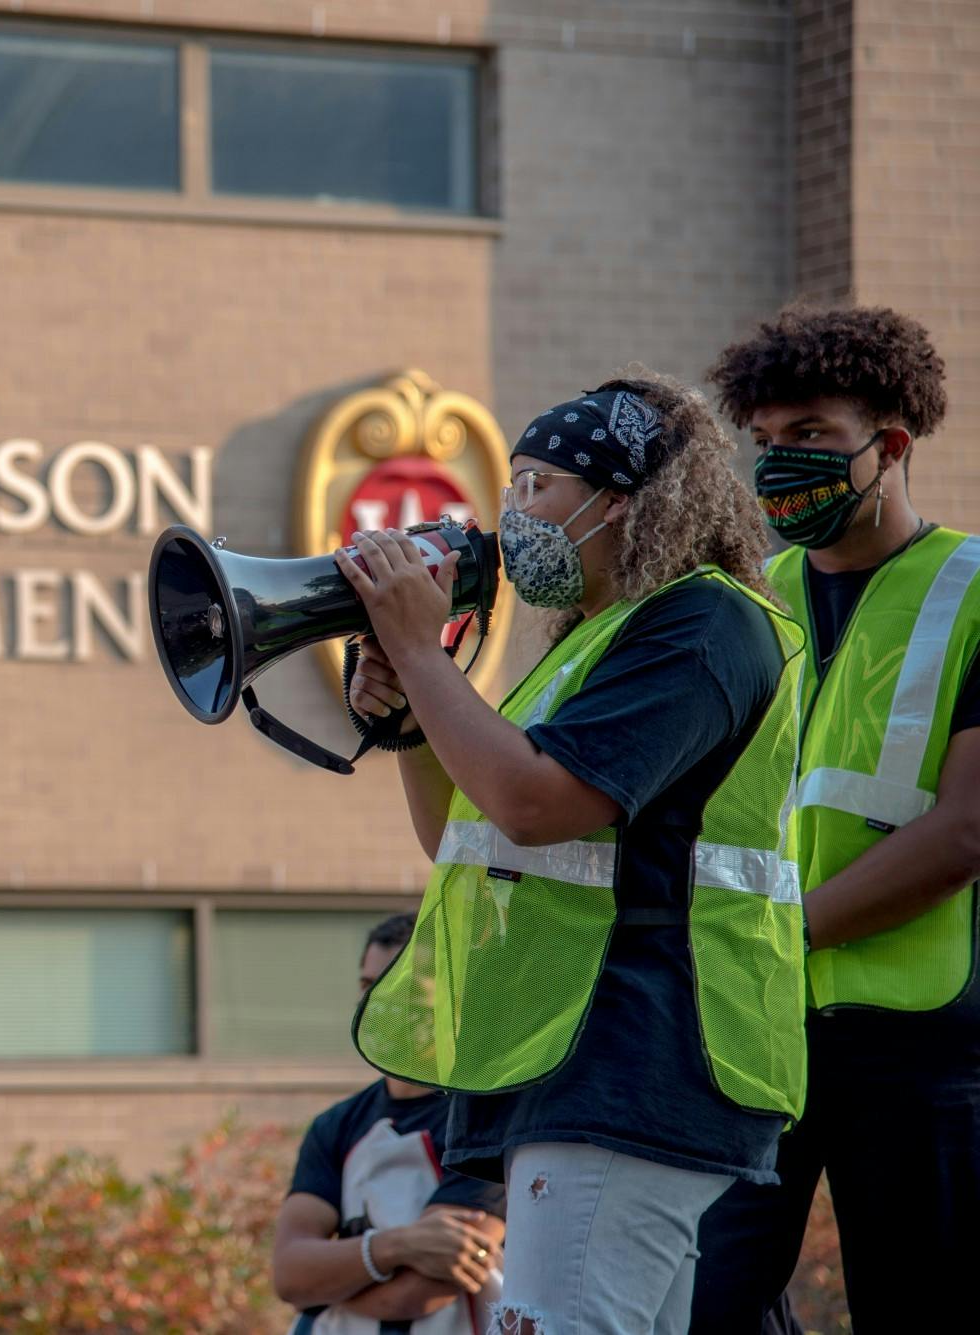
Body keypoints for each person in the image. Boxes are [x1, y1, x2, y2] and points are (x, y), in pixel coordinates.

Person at [340, 370, 807, 1335]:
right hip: (576, 1051)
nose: (512, 512)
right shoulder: (592, 642)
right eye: (510, 485)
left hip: (638, 1051)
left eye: (538, 484)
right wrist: (412, 711)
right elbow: (462, 832)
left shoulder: (705, 622)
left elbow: (532, 803)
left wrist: (423, 657)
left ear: (623, 499)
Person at [689, 306, 980, 1333]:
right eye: (764, 438)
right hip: (750, 1033)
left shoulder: (973, 590)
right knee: (699, 1307)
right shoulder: (740, 602)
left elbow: (964, 831)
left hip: (918, 1043)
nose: (778, 461)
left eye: (809, 433)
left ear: (889, 446)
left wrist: (781, 932)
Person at [272, 912, 507, 1334]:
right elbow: (290, 1274)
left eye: (399, 987)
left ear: (451, 994)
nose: (376, 1003)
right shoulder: (336, 1124)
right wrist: (398, 1244)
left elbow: (420, 1292)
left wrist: (324, 1294)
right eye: (367, 986)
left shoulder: (489, 1115)